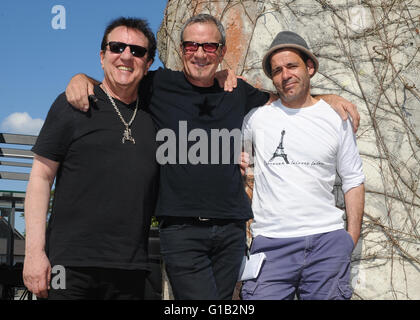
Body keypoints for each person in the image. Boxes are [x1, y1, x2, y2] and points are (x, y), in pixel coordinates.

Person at [65, 14, 360, 300]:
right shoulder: (157, 85)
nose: (200, 54)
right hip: (181, 230)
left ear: (222, 51)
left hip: (231, 230)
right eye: (192, 46)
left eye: (209, 46)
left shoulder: (237, 92)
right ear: (181, 50)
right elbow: (120, 82)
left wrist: (325, 100)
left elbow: (287, 99)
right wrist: (82, 78)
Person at [23, 17, 159, 300]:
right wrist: (34, 254)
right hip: (67, 265)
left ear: (148, 64)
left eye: (137, 51)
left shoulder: (156, 116)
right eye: (117, 47)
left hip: (130, 269)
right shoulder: (72, 105)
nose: (125, 55)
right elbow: (40, 177)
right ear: (102, 56)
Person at [241, 31, 365, 300]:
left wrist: (349, 239)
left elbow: (353, 179)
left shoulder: (336, 118)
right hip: (271, 245)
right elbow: (237, 164)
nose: (285, 75)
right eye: (277, 70)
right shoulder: (256, 119)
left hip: (327, 244)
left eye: (292, 66)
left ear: (309, 67)